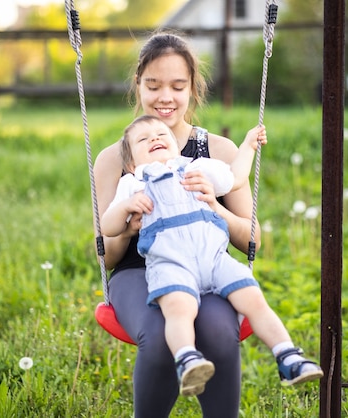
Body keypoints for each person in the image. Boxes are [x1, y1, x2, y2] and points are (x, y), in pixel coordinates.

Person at [93, 30, 319, 418]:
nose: (166, 97)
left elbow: (252, 240)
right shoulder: (118, 159)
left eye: (178, 86)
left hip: (207, 263)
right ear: (138, 86)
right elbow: (108, 253)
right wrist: (128, 226)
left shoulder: (216, 152)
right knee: (162, 336)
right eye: (154, 85)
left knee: (217, 329)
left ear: (193, 89)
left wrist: (215, 206)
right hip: (139, 270)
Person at [101, 114, 323, 397]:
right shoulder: (133, 183)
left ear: (177, 147)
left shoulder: (199, 168)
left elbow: (236, 178)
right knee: (179, 308)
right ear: (131, 164)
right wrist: (126, 208)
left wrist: (248, 145)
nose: (155, 138)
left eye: (161, 135)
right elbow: (108, 226)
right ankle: (187, 359)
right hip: (171, 265)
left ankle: (288, 356)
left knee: (253, 299)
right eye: (143, 139)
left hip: (215, 259)